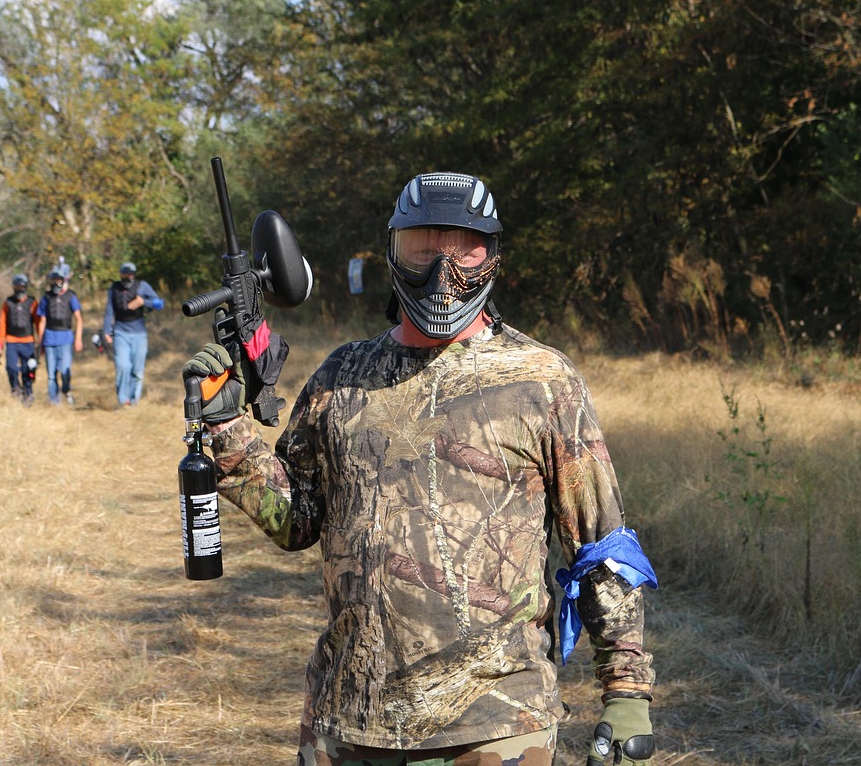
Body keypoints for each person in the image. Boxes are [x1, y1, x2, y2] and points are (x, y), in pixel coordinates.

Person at [183, 172, 657, 765]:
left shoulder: (541, 381)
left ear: (494, 258)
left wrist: (627, 692)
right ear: (392, 254)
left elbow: (602, 545)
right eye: (422, 250)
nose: (442, 273)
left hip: (497, 723)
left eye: (464, 251)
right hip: (351, 720)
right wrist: (229, 428)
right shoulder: (342, 376)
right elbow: (296, 519)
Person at [102, 260, 164, 407]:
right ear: (121, 274)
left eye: (130, 274)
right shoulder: (114, 289)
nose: (127, 277)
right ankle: (124, 401)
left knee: (137, 370)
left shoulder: (142, 286)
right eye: (124, 274)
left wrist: (144, 302)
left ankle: (134, 401)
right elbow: (109, 312)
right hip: (120, 332)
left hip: (139, 334)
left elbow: (160, 304)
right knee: (123, 366)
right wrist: (106, 331)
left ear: (134, 275)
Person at [35, 264, 83, 406]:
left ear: (63, 280)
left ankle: (66, 390)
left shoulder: (70, 296)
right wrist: (40, 341)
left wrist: (78, 339)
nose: (56, 281)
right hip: (49, 339)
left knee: (65, 371)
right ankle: (54, 403)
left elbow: (78, 318)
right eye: (53, 279)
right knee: (51, 375)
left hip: (66, 338)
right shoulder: (46, 298)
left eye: (58, 279)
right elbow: (42, 321)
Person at [0, 273, 39, 405]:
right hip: (11, 341)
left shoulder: (32, 303)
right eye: (17, 286)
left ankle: (28, 392)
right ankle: (15, 389)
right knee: (11, 367)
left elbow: (38, 323)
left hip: (28, 341)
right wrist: (0, 345)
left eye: (21, 286)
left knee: (28, 370)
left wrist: (40, 342)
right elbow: (2, 325)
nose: (19, 288)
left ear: (25, 287)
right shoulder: (8, 303)